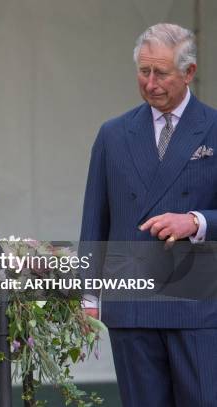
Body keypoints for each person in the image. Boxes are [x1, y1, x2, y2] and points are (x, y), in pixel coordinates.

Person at [80, 23, 217, 406]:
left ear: (188, 73)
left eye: (162, 73)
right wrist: (87, 293)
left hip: (199, 302)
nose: (151, 83)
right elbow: (96, 218)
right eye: (144, 71)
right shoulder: (113, 134)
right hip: (132, 302)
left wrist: (196, 221)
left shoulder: (214, 129)